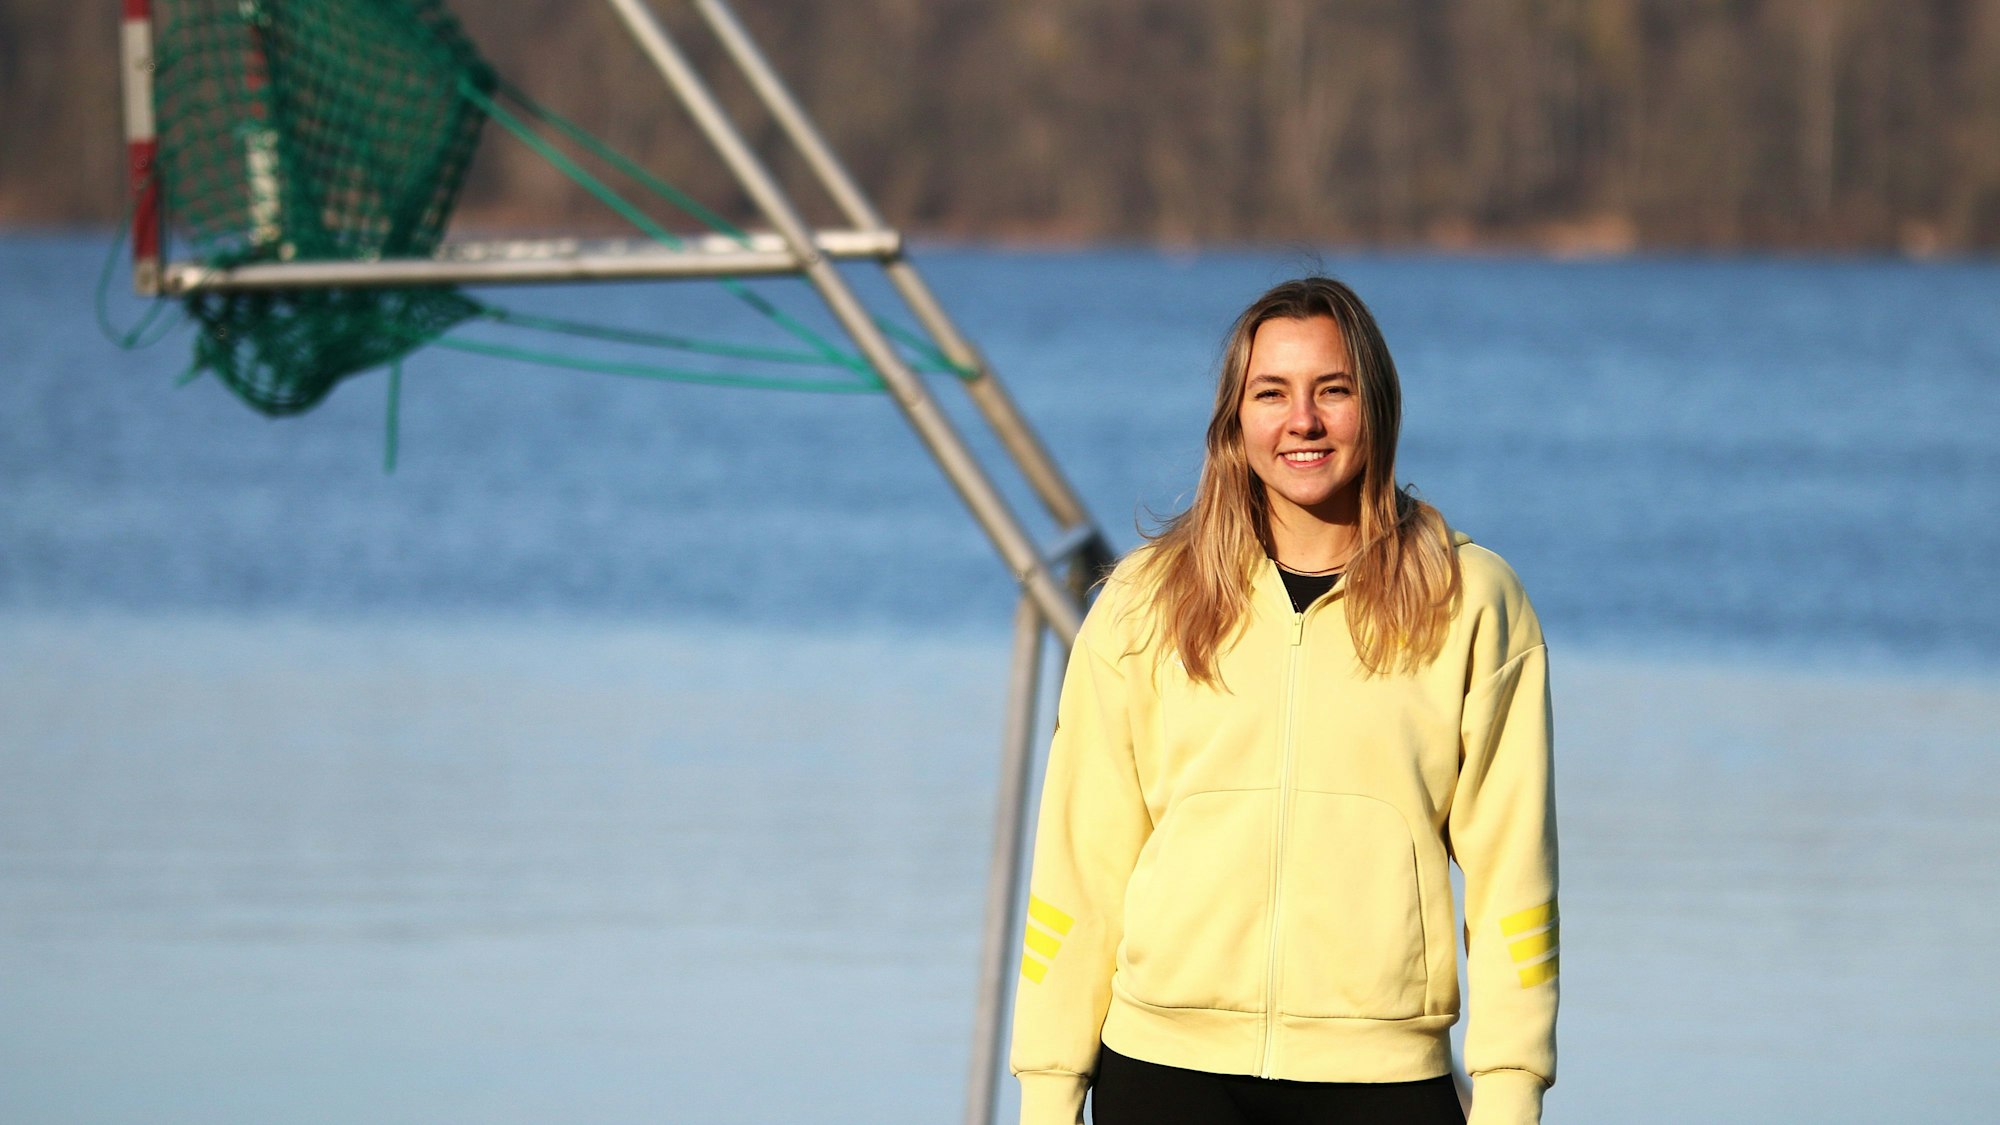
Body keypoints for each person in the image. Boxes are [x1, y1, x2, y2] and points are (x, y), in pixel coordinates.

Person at [1009, 277, 1557, 1125]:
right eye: (1272, 393)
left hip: (1381, 1082)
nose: (1302, 420)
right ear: (1235, 419)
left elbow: (1512, 875)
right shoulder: (1144, 604)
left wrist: (1512, 1089)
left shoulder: (1472, 600)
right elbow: (1080, 867)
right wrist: (1048, 1093)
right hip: (1162, 1072)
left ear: (1375, 406)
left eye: (1331, 390)